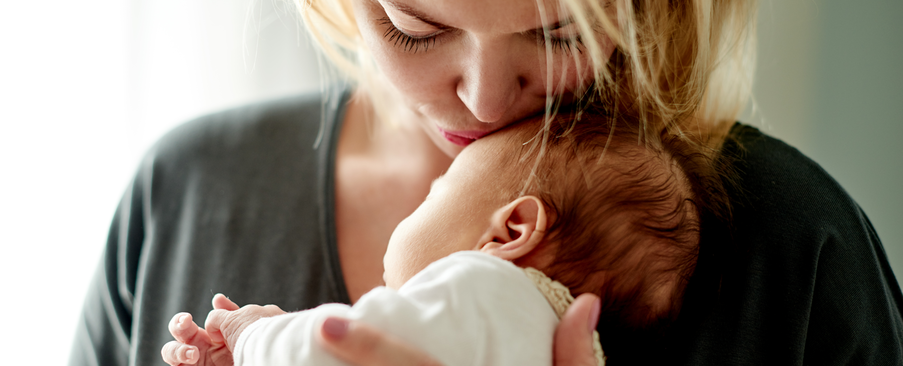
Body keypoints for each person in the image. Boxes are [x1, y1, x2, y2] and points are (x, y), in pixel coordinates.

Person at [70, 0, 903, 364]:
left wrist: (254, 338)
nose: (482, 96)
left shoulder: (796, 252)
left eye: (557, 32)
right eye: (416, 27)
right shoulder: (184, 190)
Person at [159, 115, 713, 366]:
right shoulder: (543, 343)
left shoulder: (485, 286)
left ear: (510, 231)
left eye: (438, 191)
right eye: (418, 28)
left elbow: (333, 345)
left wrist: (256, 333)